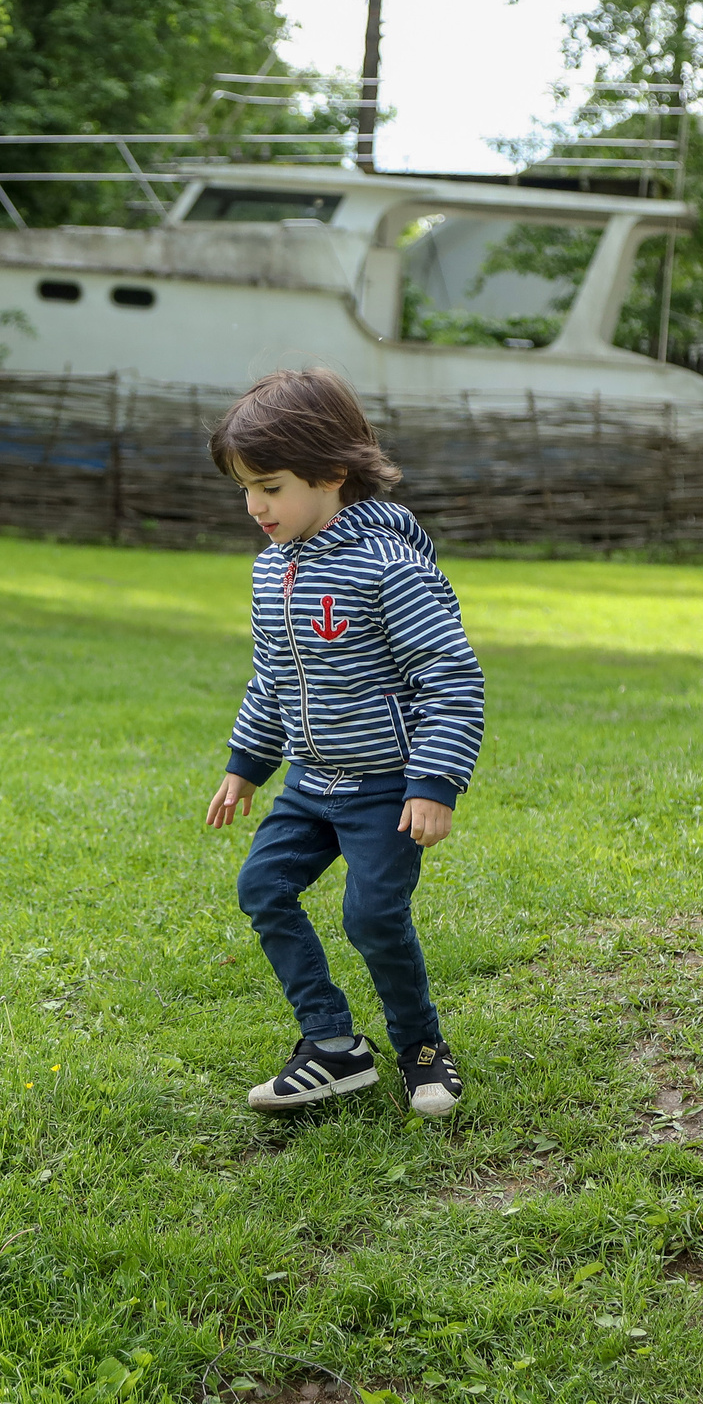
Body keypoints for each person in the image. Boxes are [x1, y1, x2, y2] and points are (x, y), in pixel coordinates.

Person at [203, 369, 484, 1118]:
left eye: (270, 485)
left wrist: (434, 782)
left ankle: (421, 1046)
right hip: (310, 781)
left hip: (387, 788)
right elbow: (273, 679)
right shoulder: (273, 570)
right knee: (261, 887)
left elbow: (449, 675)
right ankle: (331, 1043)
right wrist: (246, 766)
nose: (256, 506)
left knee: (371, 915)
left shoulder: (391, 566)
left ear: (331, 473)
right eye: (245, 490)